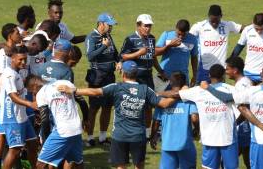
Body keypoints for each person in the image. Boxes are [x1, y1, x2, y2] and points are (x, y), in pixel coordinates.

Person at [57, 60, 177, 169]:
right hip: (138, 136)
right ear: (136, 74)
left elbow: (95, 92)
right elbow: (165, 103)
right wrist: (180, 94)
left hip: (120, 136)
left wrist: (74, 90)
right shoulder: (145, 89)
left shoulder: (116, 87)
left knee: (121, 166)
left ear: (123, 73)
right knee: (139, 166)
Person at [202, 63, 263, 169]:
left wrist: (208, 88)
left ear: (261, 75)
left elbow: (226, 98)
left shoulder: (252, 91)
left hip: (258, 141)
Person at [23, 76, 84, 169]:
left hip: (62, 132)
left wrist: (45, 139)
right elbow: (82, 101)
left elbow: (45, 120)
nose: (33, 94)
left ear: (35, 85)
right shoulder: (65, 83)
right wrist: (86, 119)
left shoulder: (42, 93)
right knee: (77, 162)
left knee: (40, 164)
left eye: (31, 91)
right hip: (77, 130)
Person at [0, 46, 38, 169]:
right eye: (20, 59)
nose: (23, 62)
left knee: (33, 145)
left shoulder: (17, 72)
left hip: (22, 117)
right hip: (12, 119)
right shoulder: (9, 75)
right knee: (15, 151)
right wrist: (31, 104)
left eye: (25, 59)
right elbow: (13, 97)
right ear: (12, 58)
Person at [85, 13, 120, 146]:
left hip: (109, 76)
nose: (111, 28)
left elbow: (115, 53)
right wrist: (104, 46)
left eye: (112, 25)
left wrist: (119, 62)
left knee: (107, 106)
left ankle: (103, 137)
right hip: (97, 77)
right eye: (109, 25)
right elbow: (90, 56)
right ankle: (89, 137)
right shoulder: (91, 37)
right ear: (101, 23)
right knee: (94, 108)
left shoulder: (108, 36)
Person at [150, 71, 198, 169]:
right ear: (184, 84)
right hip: (185, 144)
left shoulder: (162, 101)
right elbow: (194, 118)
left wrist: (153, 136)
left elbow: (156, 121)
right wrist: (197, 129)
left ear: (170, 83)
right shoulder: (189, 100)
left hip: (168, 144)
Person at [120, 14, 156, 138]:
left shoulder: (152, 38)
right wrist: (138, 53)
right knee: (133, 104)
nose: (148, 28)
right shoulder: (130, 39)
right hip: (135, 78)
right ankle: (131, 131)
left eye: (149, 26)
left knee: (149, 105)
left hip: (148, 76)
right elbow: (123, 56)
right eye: (145, 26)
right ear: (138, 25)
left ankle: (147, 134)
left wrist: (161, 71)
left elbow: (153, 57)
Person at [189, 4, 243, 83]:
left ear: (221, 16)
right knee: (202, 91)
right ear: (208, 16)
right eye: (212, 21)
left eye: (216, 21)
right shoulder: (199, 26)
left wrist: (262, 18)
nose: (214, 23)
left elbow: (246, 29)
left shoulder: (227, 25)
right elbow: (187, 37)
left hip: (220, 69)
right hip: (204, 68)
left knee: (219, 92)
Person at [0, 23, 22, 169]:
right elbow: (0, 76)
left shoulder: (12, 50)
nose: (19, 34)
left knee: (5, 132)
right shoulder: (3, 54)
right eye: (17, 32)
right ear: (10, 35)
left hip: (8, 98)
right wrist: (6, 97)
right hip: (2, 100)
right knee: (2, 132)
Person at [230, 13, 263, 84]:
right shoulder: (247, 30)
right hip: (248, 72)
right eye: (256, 29)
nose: (259, 31)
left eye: (261, 29)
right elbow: (239, 47)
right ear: (253, 23)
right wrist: (230, 64)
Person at [225, 56, 252, 168]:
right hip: (244, 127)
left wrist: (234, 123)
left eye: (227, 69)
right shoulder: (243, 82)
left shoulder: (242, 85)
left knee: (227, 161)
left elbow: (246, 108)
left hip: (243, 128)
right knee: (248, 160)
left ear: (235, 70)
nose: (226, 72)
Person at [155, 19, 198, 86]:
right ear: (176, 29)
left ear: (188, 31)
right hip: (164, 75)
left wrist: (195, 76)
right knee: (161, 95)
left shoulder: (193, 39)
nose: (180, 37)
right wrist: (169, 46)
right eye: (178, 34)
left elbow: (194, 57)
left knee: (181, 96)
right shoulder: (166, 34)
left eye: (184, 35)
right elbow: (155, 52)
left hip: (182, 77)